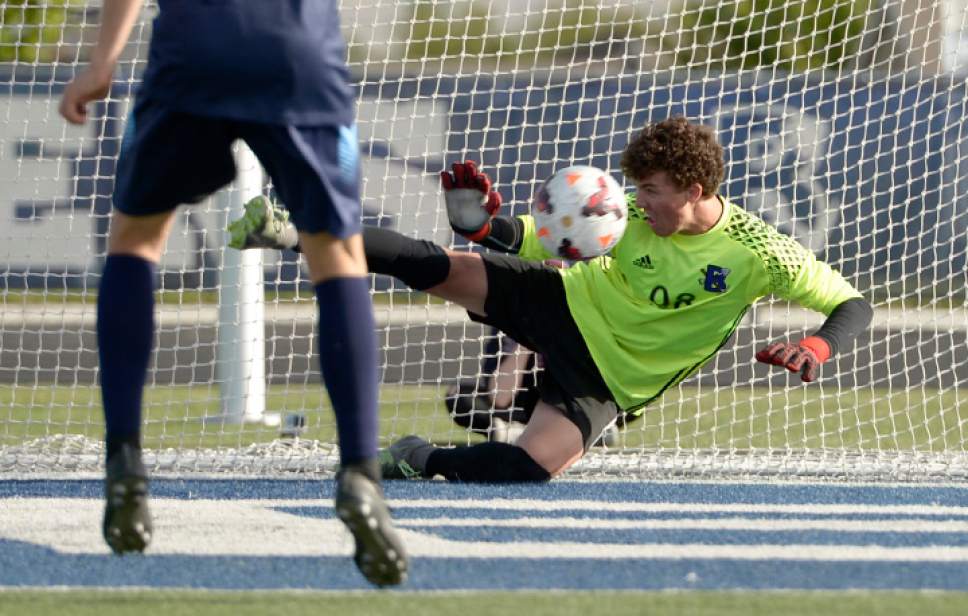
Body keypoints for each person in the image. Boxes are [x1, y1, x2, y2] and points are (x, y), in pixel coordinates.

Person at [229, 116, 874, 483]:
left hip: (608, 377)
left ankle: (417, 456)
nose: (636, 200)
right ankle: (292, 230)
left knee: (532, 468)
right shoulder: (629, 219)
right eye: (634, 187)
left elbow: (853, 304)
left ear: (695, 187)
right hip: (562, 302)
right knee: (435, 266)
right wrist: (480, 225)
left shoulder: (758, 251)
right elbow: (532, 237)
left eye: (649, 188)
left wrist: (817, 345)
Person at [58, 0, 406, 585]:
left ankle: (124, 457)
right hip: (297, 56)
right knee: (337, 256)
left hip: (194, 52)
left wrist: (102, 61)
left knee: (137, 240)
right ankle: (359, 473)